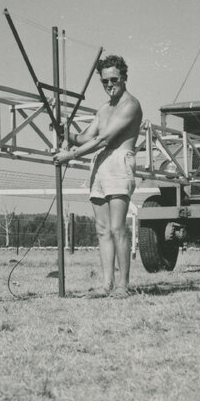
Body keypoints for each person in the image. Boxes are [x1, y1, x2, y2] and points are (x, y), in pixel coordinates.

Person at [54, 54, 142, 297]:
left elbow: (104, 139)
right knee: (102, 229)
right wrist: (66, 132)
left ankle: (123, 286)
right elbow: (85, 138)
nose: (109, 85)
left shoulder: (130, 105)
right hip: (100, 167)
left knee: (117, 228)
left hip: (119, 163)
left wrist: (70, 156)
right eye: (104, 81)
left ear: (123, 77)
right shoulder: (103, 109)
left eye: (113, 79)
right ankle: (107, 285)